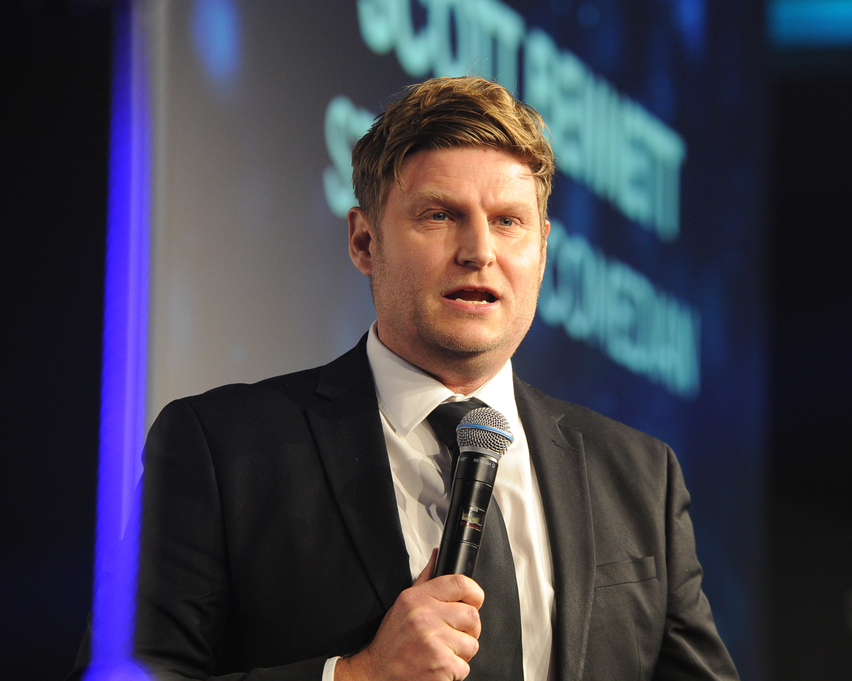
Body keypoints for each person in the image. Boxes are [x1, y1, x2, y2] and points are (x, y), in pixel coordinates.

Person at [71, 76, 739, 681]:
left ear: (542, 251)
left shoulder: (640, 478)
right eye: (440, 215)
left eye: (507, 222)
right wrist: (355, 677)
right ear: (365, 241)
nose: (479, 251)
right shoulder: (224, 450)